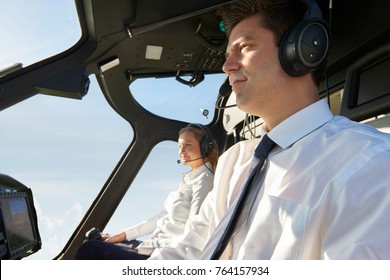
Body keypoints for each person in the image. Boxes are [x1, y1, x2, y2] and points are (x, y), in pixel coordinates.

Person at [149, 0, 390, 260]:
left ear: (301, 49)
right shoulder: (235, 159)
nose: (227, 66)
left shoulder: (370, 164)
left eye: (244, 47)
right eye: (228, 54)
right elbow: (190, 251)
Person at [75, 123, 218, 259]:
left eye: (187, 145)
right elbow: (161, 218)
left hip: (164, 255)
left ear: (206, 147)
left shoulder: (205, 181)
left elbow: (195, 233)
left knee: (90, 250)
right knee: (100, 242)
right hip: (154, 246)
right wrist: (124, 235)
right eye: (179, 146)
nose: (181, 152)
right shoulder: (190, 180)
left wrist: (150, 250)